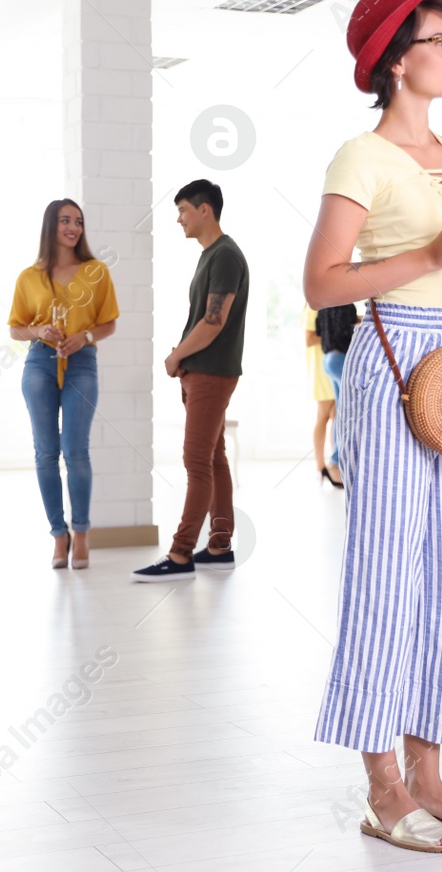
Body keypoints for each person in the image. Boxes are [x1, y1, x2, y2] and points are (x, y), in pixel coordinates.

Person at [304, 0, 442, 855]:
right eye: (441, 39)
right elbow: (321, 284)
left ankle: (431, 772)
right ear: (396, 60)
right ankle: (383, 783)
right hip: (389, 361)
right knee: (386, 574)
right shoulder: (360, 157)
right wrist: (431, 252)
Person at [132, 180, 249, 583]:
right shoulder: (212, 256)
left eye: (182, 210)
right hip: (203, 372)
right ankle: (219, 547)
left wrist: (177, 354)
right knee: (214, 459)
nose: (178, 219)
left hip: (211, 373)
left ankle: (180, 555)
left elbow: (213, 322)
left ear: (204, 210)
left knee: (196, 462)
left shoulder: (225, 257)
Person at [8, 199, 119, 570]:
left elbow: (109, 324)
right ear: (50, 226)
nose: (73, 227)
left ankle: (82, 532)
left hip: (81, 363)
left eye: (79, 221)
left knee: (76, 451)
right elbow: (15, 328)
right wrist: (38, 330)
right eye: (65, 221)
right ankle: (59, 535)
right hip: (40, 361)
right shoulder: (29, 276)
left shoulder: (96, 271)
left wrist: (85, 337)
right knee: (45, 453)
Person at [315, 301, 358, 490]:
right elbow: (345, 335)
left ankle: (336, 461)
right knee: (350, 412)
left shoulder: (324, 303)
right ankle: (336, 461)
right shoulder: (346, 304)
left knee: (342, 411)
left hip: (328, 359)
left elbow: (319, 330)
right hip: (341, 358)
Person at [304, 304, 341, 488]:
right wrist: (332, 335)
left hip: (330, 361)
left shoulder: (329, 304)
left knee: (336, 416)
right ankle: (320, 466)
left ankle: (334, 463)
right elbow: (309, 339)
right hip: (320, 366)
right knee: (323, 416)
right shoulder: (313, 307)